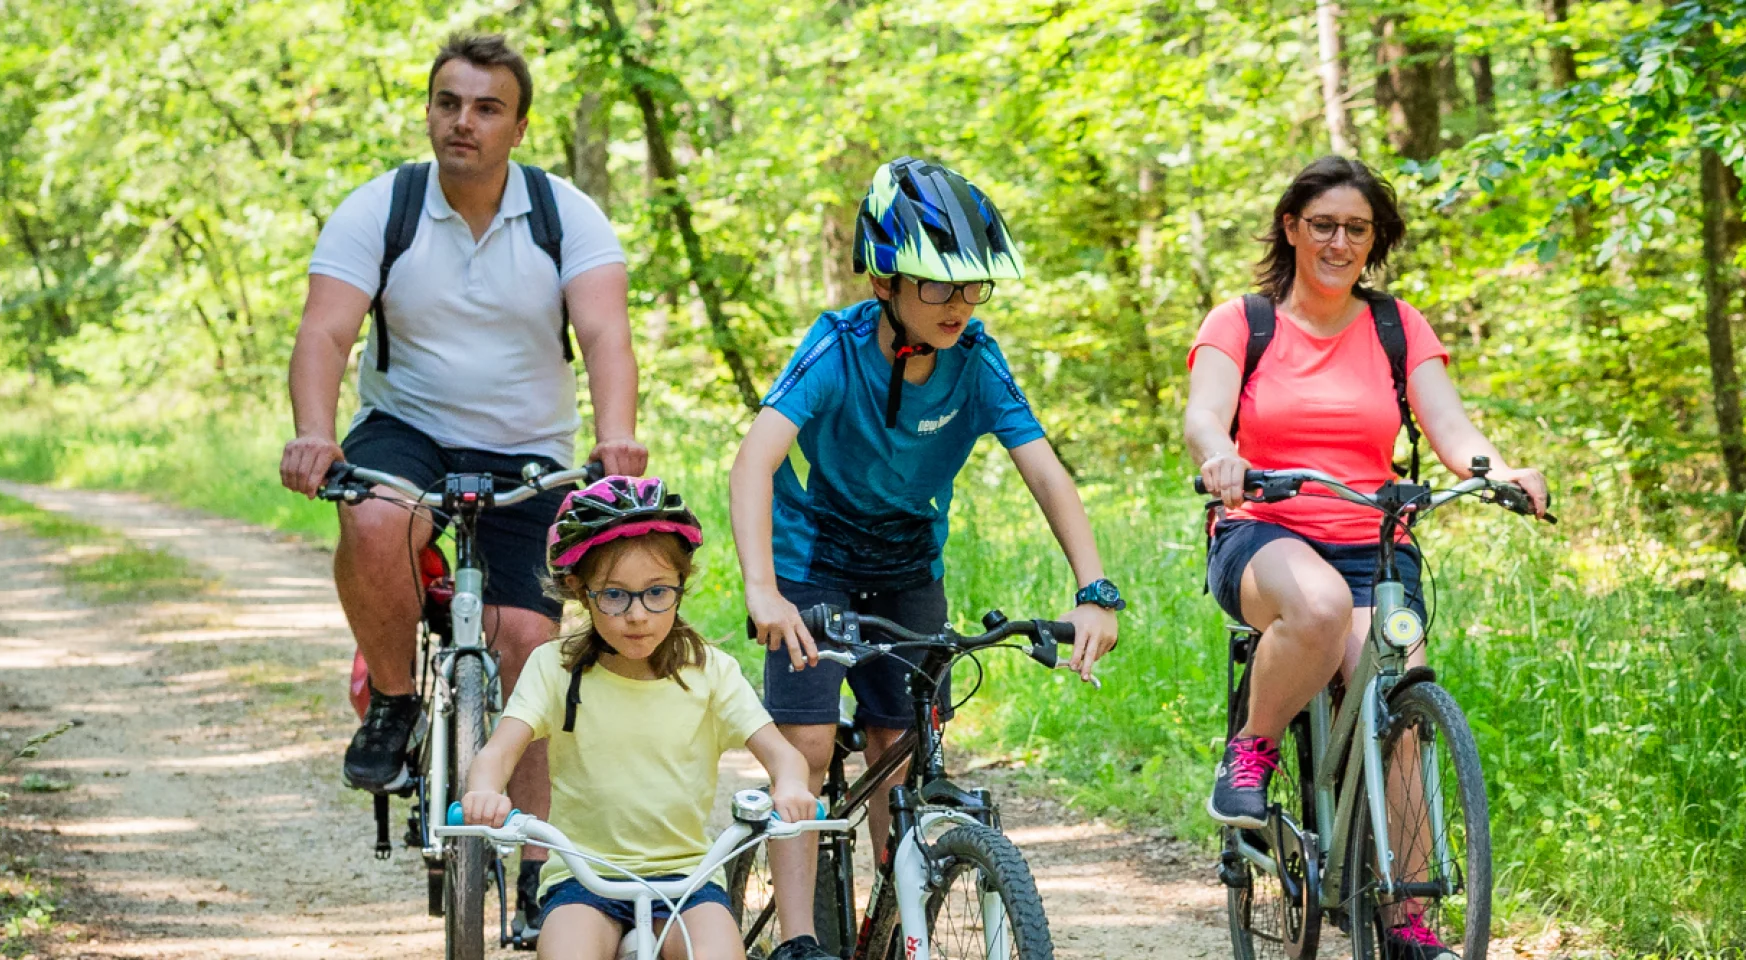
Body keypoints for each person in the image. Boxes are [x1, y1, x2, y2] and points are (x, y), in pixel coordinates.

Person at [277, 32, 644, 937]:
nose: (463, 122)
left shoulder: (568, 216)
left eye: (486, 108)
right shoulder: (382, 208)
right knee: (373, 521)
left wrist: (617, 440)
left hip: (528, 446)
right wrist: (316, 434)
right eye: (449, 103)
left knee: (528, 642)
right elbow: (324, 333)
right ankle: (396, 702)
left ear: (519, 125)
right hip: (409, 430)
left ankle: (535, 868)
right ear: (430, 110)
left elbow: (604, 336)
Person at [729, 156, 1124, 960]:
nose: (960, 305)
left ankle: (896, 899)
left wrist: (1095, 587)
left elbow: (1044, 470)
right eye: (938, 286)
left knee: (899, 743)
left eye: (972, 286)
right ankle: (801, 936)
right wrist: (763, 590)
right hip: (814, 561)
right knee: (805, 747)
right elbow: (752, 462)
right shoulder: (835, 348)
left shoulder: (975, 359)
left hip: (909, 567)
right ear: (885, 281)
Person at [1183, 155, 1549, 960]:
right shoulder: (1242, 321)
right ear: (1292, 228)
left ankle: (1407, 924)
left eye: (1356, 229)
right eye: (1324, 225)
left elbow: (1452, 430)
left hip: (1374, 540)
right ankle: (1254, 745)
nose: (1339, 242)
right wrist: (1223, 458)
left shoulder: (1396, 325)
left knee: (1402, 710)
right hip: (1265, 531)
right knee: (1312, 609)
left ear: (1374, 240)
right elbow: (1204, 416)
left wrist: (1499, 473)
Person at [458, 476, 816, 960]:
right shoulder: (554, 667)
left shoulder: (710, 671)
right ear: (579, 591)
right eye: (614, 595)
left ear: (681, 586)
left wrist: (791, 787)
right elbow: (497, 754)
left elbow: (785, 756)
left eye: (656, 593)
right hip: (584, 876)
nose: (637, 615)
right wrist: (484, 794)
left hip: (688, 877)